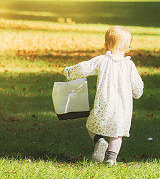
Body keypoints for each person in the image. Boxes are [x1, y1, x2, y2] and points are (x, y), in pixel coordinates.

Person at [62, 26, 144, 165]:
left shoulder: (101, 60)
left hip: (103, 105)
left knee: (90, 126)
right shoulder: (129, 65)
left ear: (105, 45)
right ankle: (111, 159)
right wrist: (137, 93)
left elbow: (83, 68)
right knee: (117, 135)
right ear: (128, 48)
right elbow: (137, 85)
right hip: (122, 110)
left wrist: (69, 72)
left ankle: (99, 140)